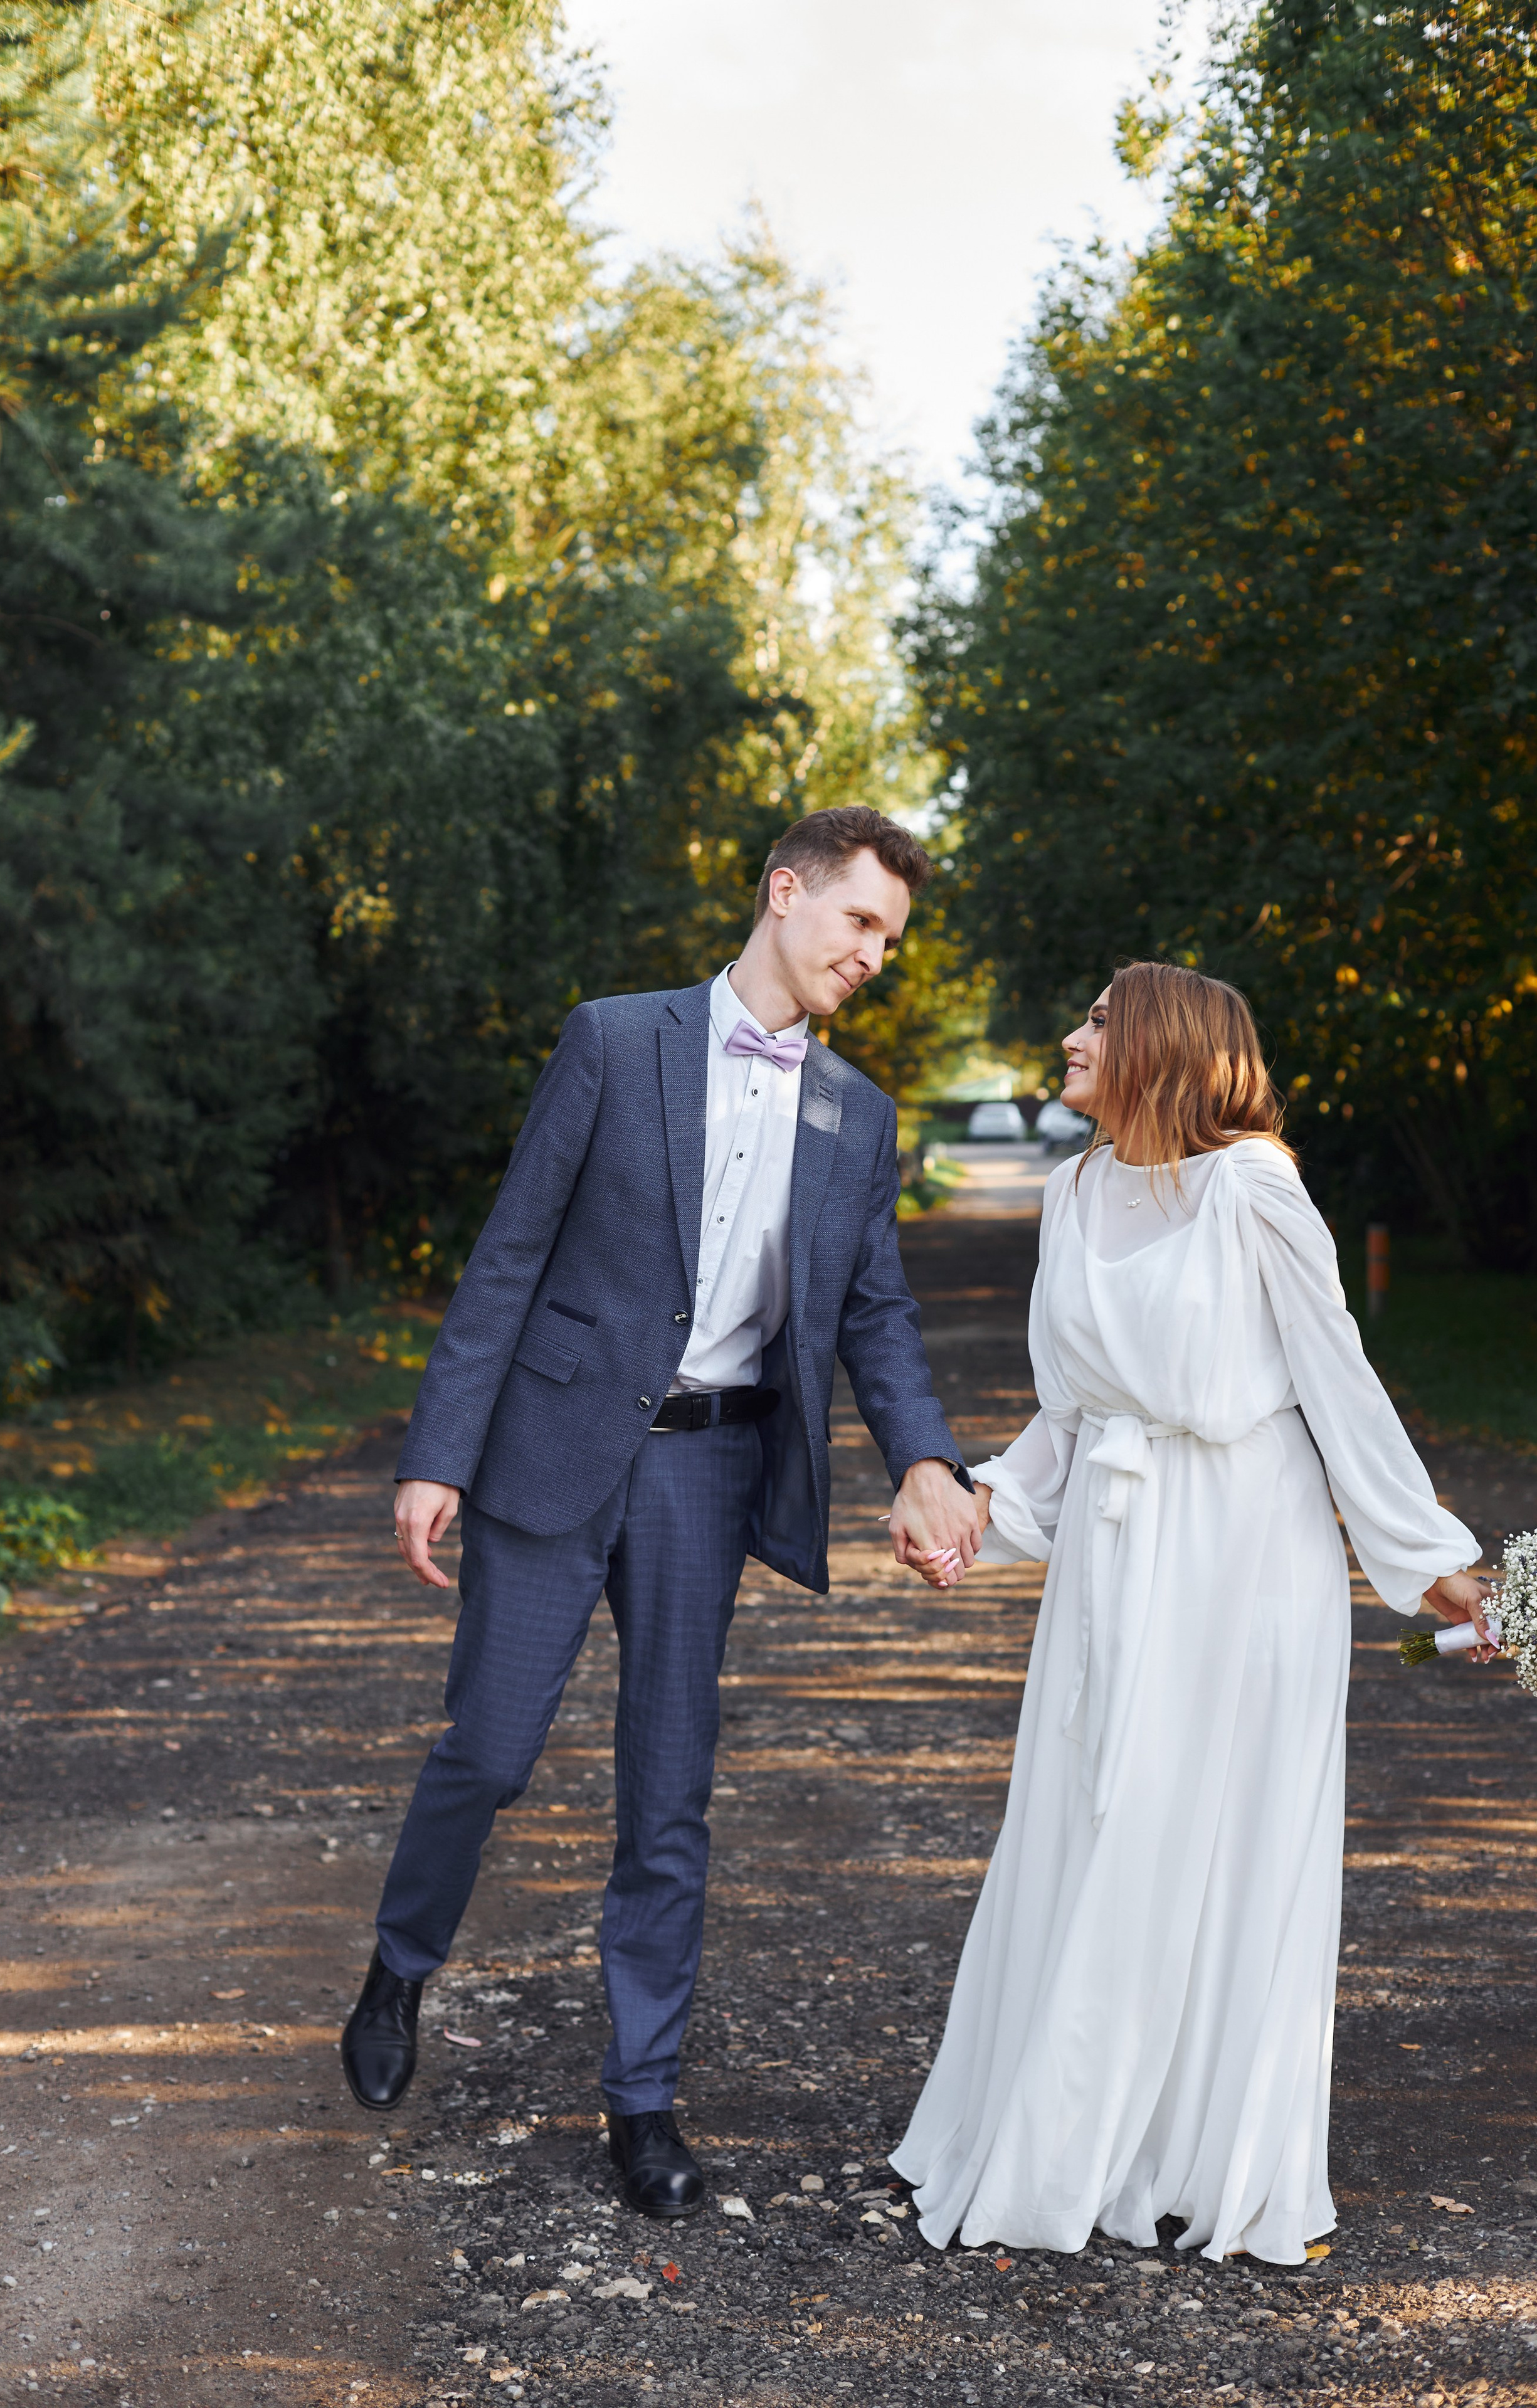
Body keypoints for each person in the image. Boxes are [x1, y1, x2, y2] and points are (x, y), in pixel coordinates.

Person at [342, 805, 981, 2221]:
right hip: (554, 1442)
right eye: (858, 922)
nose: (872, 954)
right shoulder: (614, 1041)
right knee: (491, 1753)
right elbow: (509, 1251)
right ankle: (399, 1968)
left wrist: (925, 1457)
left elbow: (873, 1314)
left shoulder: (855, 1115)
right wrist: (436, 1450)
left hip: (706, 1471)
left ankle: (642, 2102)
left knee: (667, 1791)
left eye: (891, 937)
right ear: (782, 892)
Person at [890, 961, 1490, 2264]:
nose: (1070, 1036)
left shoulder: (1252, 1189)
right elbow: (1068, 1410)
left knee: (1208, 1839)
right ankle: (1059, 2133)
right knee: (1086, 1818)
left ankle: (1194, 2158)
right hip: (1112, 1564)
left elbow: (1339, 1386)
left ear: (1162, 1047)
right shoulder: (1070, 1189)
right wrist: (978, 1509)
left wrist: (1432, 1562)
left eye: (1097, 1020)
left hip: (1242, 1556)